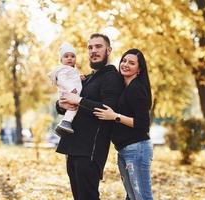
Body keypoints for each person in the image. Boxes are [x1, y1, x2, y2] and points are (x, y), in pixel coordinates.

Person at [55, 33, 124, 200]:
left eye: (98, 47)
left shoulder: (112, 77)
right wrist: (60, 104)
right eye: (90, 47)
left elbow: (108, 110)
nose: (93, 51)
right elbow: (69, 104)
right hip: (73, 148)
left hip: (90, 151)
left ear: (108, 50)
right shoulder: (87, 78)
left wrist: (78, 100)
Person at [93, 48, 154, 200]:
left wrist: (115, 116)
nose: (125, 64)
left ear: (139, 69)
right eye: (124, 60)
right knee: (133, 197)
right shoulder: (124, 86)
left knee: (142, 197)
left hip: (137, 149)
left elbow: (143, 124)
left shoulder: (137, 88)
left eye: (132, 63)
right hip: (125, 149)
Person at [48, 42, 82, 134]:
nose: (70, 58)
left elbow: (73, 78)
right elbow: (63, 80)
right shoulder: (62, 70)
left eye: (72, 56)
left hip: (71, 93)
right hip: (68, 93)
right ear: (61, 60)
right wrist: (71, 89)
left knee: (73, 108)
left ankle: (62, 127)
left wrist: (80, 77)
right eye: (66, 56)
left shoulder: (71, 70)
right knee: (73, 108)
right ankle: (66, 122)